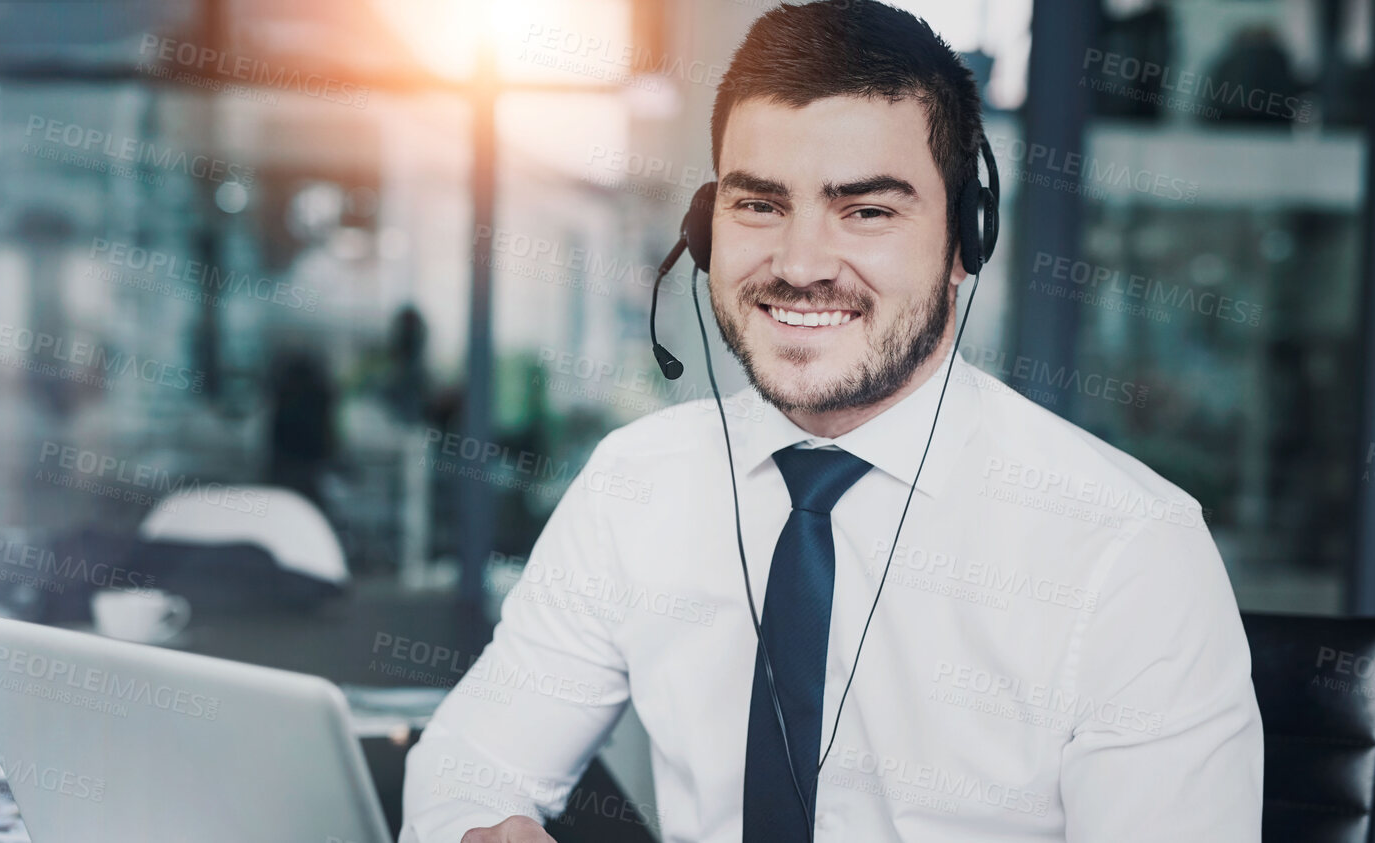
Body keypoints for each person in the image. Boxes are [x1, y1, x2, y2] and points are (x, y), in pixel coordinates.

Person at [398, 2, 1261, 841]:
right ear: (704, 230)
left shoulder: (1126, 550)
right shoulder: (638, 481)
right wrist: (482, 830)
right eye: (759, 205)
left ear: (967, 238)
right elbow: (470, 763)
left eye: (867, 210)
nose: (800, 264)